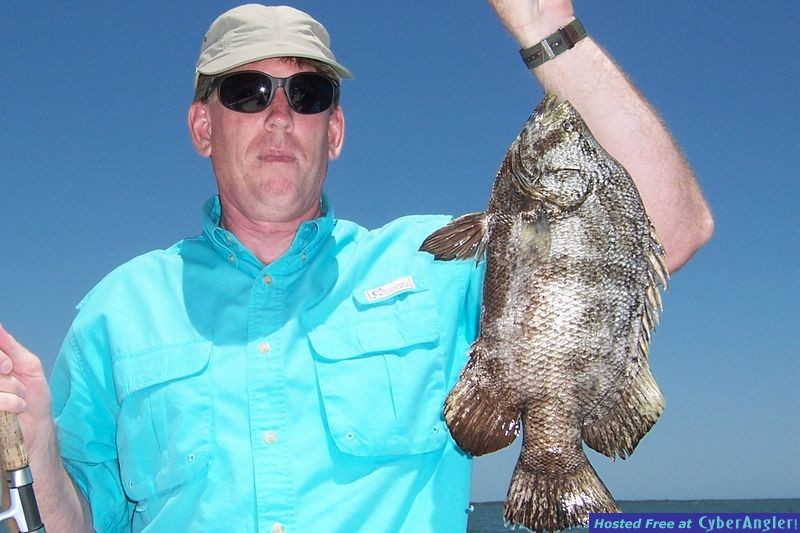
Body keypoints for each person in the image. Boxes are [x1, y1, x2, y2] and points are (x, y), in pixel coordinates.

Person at [0, 1, 713, 531]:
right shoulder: (114, 312)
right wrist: (33, 437)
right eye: (248, 92)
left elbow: (671, 224)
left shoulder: (440, 264)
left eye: (306, 95)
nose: (280, 115)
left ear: (332, 131)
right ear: (202, 126)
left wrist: (543, 23)